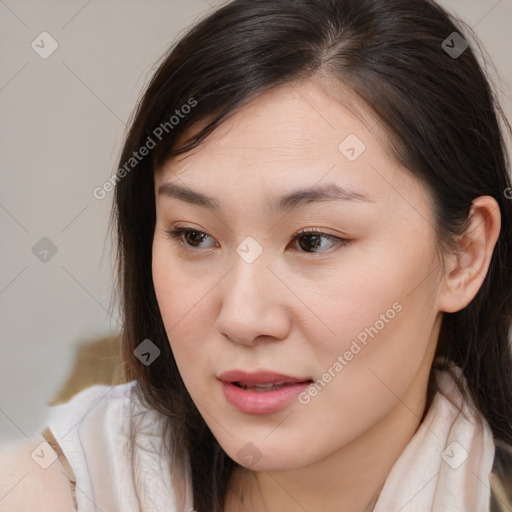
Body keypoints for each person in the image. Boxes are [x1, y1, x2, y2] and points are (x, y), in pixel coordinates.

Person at [2, 0, 512, 510]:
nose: (243, 318)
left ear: (464, 254)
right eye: (194, 236)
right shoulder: (54, 490)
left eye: (312, 240)